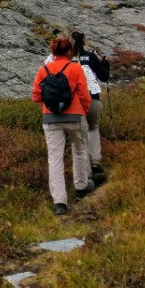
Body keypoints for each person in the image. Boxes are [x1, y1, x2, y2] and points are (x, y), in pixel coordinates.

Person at [33, 36, 92, 215]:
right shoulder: (75, 68)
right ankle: (81, 188)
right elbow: (84, 95)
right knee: (80, 151)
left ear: (52, 52)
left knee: (55, 158)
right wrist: (83, 111)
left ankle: (60, 202)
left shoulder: (44, 69)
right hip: (75, 117)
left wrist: (46, 110)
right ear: (69, 52)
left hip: (51, 120)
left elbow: (36, 95)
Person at [45, 31, 110, 175]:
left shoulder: (66, 60)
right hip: (92, 98)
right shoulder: (91, 57)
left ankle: (85, 170)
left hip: (72, 103)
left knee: (79, 136)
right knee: (93, 128)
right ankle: (95, 161)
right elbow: (104, 77)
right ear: (84, 41)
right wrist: (105, 65)